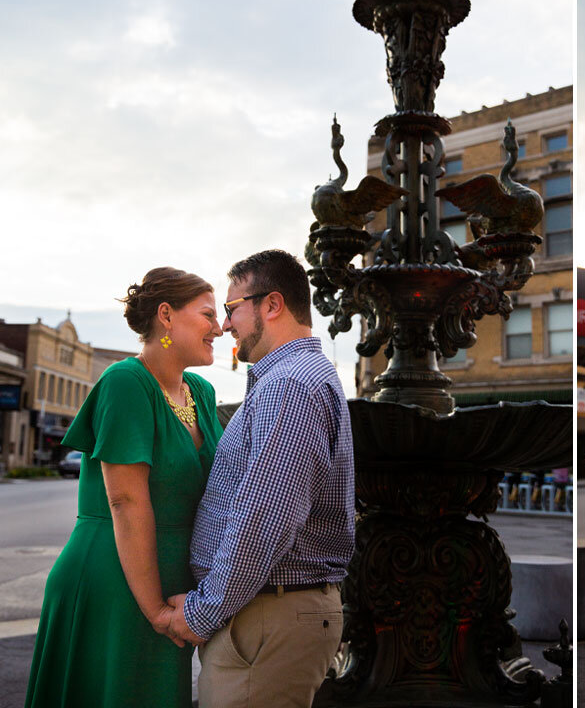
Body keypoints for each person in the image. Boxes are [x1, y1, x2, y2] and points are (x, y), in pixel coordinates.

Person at [25, 268, 224, 708]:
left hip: (172, 589)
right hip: (117, 578)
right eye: (209, 314)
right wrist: (153, 607)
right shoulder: (125, 382)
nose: (220, 326)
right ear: (167, 316)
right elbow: (126, 499)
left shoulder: (202, 393)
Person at [165, 249, 354, 708]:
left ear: (271, 305)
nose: (225, 325)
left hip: (270, 619)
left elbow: (262, 520)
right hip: (268, 615)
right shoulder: (293, 379)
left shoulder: (289, 385)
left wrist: (201, 612)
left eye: (231, 309)